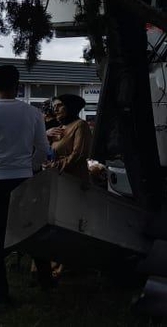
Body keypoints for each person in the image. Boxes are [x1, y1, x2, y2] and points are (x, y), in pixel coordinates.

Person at [0, 65, 49, 308]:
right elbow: (42, 149)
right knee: (32, 229)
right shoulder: (33, 113)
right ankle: (46, 280)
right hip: (23, 178)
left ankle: (3, 295)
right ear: (17, 86)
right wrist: (31, 167)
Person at [44, 94, 92, 182]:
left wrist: (55, 165)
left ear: (70, 107)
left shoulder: (80, 125)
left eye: (59, 105)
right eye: (54, 106)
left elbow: (78, 155)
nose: (55, 109)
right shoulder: (60, 128)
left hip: (73, 180)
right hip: (58, 178)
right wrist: (46, 136)